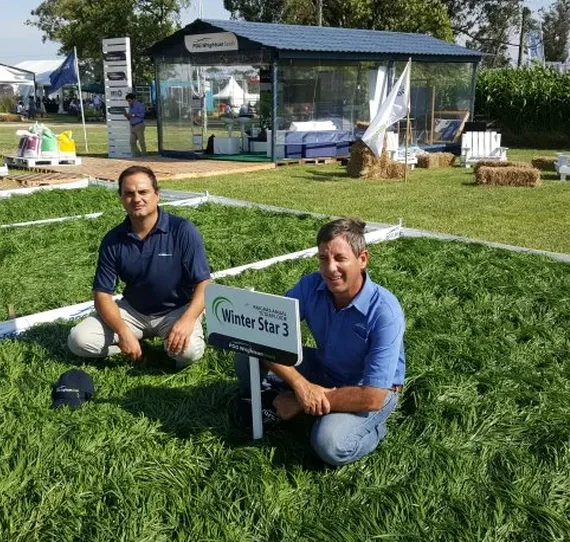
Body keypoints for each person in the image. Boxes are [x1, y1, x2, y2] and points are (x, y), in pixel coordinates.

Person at [233, 218, 406, 467]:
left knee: (329, 444)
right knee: (247, 353)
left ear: (362, 259)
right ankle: (272, 401)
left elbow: (373, 397)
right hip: (325, 366)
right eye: (324, 258)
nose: (330, 268)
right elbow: (265, 335)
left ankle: (373, 430)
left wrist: (301, 400)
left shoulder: (385, 312)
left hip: (368, 387)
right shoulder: (310, 285)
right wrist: (301, 385)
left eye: (340, 258)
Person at [67, 166, 211, 368]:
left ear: (157, 194)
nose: (136, 199)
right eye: (129, 193)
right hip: (133, 311)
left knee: (188, 353)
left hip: (176, 310)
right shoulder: (113, 240)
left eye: (143, 192)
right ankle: (131, 346)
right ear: (121, 198)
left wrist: (187, 320)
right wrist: (122, 331)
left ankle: (170, 342)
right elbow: (102, 294)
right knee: (79, 340)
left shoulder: (182, 230)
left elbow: (204, 282)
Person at [125, 93, 146, 157]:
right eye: (128, 101)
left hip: (139, 125)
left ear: (133, 99)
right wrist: (127, 116)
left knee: (141, 141)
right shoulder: (130, 106)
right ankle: (137, 155)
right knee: (132, 142)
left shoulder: (139, 105)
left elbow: (142, 115)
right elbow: (130, 116)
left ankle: (144, 154)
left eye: (129, 101)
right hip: (132, 126)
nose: (129, 102)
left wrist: (132, 115)